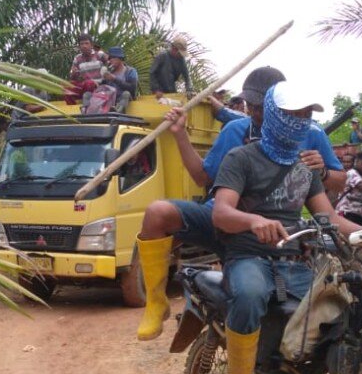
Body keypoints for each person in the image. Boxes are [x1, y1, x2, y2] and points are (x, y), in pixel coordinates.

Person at [210, 81, 362, 374]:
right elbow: (221, 213)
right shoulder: (241, 159)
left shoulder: (305, 168)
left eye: (307, 115)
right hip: (248, 255)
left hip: (293, 261)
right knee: (250, 295)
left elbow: (330, 218)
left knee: (344, 306)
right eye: (293, 114)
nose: (301, 121)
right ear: (274, 115)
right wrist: (254, 221)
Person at [133, 67, 345, 341]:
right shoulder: (236, 131)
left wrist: (323, 172)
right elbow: (202, 178)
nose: (252, 111)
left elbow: (337, 185)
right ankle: (155, 302)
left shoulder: (309, 132)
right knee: (159, 213)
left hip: (273, 235)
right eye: (250, 105)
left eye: (257, 106)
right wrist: (180, 135)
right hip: (223, 219)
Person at [66, 33, 107, 105]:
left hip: (98, 86)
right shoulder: (77, 58)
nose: (84, 46)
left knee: (89, 83)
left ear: (91, 45)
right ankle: (72, 109)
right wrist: (73, 73)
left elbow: (112, 63)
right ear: (79, 46)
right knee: (66, 86)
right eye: (82, 44)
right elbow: (72, 76)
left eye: (86, 43)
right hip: (84, 86)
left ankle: (89, 106)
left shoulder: (99, 54)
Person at [98, 46, 138, 112]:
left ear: (120, 58)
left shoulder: (130, 71)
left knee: (126, 93)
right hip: (111, 101)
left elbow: (132, 89)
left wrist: (115, 79)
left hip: (126, 101)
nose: (110, 60)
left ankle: (118, 111)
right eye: (109, 58)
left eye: (113, 57)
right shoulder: (109, 73)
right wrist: (102, 80)